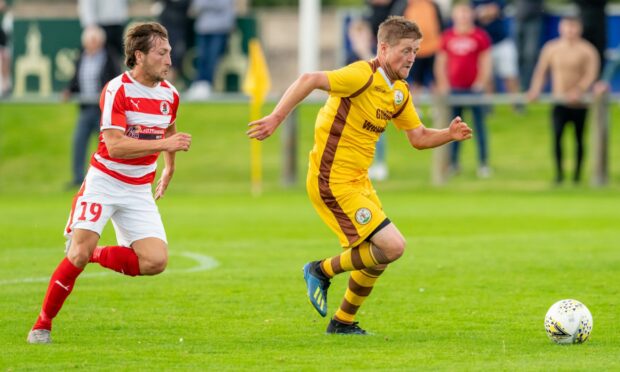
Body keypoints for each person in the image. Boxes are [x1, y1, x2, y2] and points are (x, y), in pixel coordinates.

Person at [247, 16, 472, 335]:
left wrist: (448, 133)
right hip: (332, 179)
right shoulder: (361, 75)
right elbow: (309, 78)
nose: (412, 57)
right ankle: (319, 270)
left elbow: (418, 137)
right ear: (383, 47)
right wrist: (275, 118)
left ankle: (343, 322)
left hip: (358, 181)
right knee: (393, 246)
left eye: (416, 50)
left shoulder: (399, 92)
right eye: (406, 50)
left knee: (378, 256)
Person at [27, 22, 192, 344]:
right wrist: (163, 148)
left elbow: (169, 131)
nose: (170, 59)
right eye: (162, 53)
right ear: (140, 56)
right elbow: (115, 145)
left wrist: (168, 168)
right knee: (75, 255)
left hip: (138, 189)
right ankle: (42, 324)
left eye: (170, 52)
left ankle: (95, 253)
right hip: (104, 182)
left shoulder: (170, 95)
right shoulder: (118, 89)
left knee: (155, 262)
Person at [527, 16, 599, 185]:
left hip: (580, 103)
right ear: (561, 28)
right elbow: (541, 71)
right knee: (557, 137)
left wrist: (579, 90)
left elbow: (591, 74)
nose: (570, 31)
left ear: (579, 29)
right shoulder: (552, 48)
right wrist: (535, 89)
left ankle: (577, 176)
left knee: (579, 138)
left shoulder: (587, 50)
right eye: (567, 27)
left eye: (573, 27)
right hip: (559, 101)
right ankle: (559, 175)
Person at [434, 3, 492, 178]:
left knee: (479, 127)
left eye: (466, 13)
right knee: (453, 130)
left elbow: (486, 61)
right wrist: (443, 84)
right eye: (460, 13)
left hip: (474, 91)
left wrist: (480, 82)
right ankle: (453, 163)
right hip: (454, 91)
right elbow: (440, 63)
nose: (463, 17)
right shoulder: (447, 37)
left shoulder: (480, 36)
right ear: (454, 16)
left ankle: (483, 163)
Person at [63, 25, 120, 188]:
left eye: (95, 40)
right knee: (79, 142)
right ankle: (78, 178)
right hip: (85, 107)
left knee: (108, 145)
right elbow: (76, 79)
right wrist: (69, 90)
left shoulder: (109, 56)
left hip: (103, 110)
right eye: (89, 41)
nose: (92, 44)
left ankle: (113, 178)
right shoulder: (82, 56)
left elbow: (115, 79)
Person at [185, 0, 235, 100]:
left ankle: (207, 84)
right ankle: (199, 83)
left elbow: (222, 4)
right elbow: (197, 5)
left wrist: (206, 4)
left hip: (220, 29)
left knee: (212, 57)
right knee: (202, 57)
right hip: (203, 28)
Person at [470, 0, 520, 98]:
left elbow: (495, 10)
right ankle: (489, 106)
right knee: (487, 77)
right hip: (484, 45)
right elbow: (473, 15)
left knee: (510, 75)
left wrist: (482, 13)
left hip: (502, 41)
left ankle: (516, 104)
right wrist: (486, 13)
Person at [403, 0, 443, 92]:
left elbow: (441, 25)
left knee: (435, 83)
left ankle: (436, 106)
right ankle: (413, 106)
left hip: (433, 50)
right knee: (415, 85)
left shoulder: (433, 5)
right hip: (414, 52)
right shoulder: (406, 4)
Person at [157, 0, 192, 87]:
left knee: (176, 58)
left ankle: (170, 84)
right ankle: (166, 84)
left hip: (180, 30)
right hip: (166, 29)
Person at [513, 0, 544, 91]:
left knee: (530, 55)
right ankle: (520, 85)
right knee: (518, 55)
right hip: (518, 19)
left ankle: (527, 86)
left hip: (534, 20)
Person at [575, 0, 607, 77]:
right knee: (580, 52)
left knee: (598, 53)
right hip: (584, 20)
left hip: (598, 22)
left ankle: (598, 79)